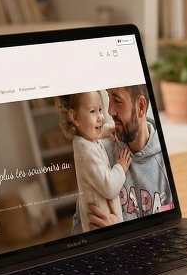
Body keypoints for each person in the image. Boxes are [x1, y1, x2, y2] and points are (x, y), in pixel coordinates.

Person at [72, 84, 174, 234]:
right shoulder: (98, 151)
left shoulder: (166, 163)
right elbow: (78, 224)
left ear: (140, 106)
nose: (109, 111)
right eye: (108, 97)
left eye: (118, 101)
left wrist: (121, 232)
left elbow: (171, 234)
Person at [55, 91, 131, 232]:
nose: (100, 117)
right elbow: (109, 187)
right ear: (75, 117)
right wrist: (121, 167)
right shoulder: (86, 152)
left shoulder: (85, 139)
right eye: (92, 111)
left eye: (100, 110)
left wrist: (107, 130)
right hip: (101, 229)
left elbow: (94, 131)